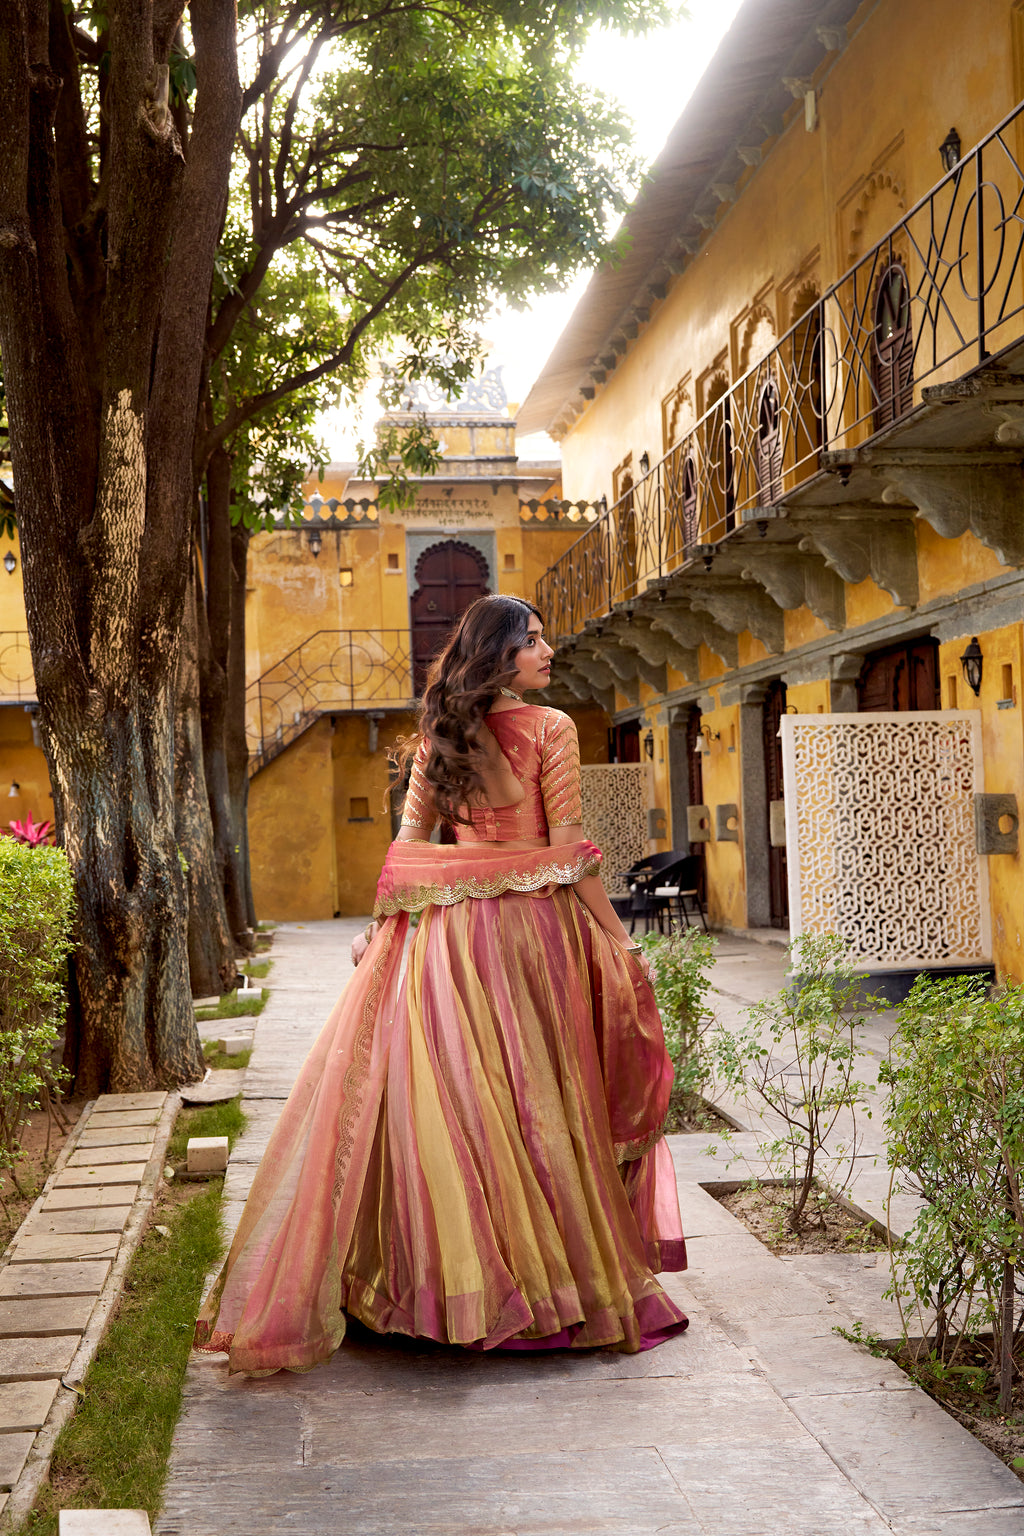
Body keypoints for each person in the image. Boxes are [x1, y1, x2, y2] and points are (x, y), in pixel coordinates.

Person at [195, 594, 687, 1374]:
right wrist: (619, 940)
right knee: (533, 1104)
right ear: (500, 655)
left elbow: (408, 847)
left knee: (456, 1108)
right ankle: (545, 1291)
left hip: (448, 943)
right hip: (530, 940)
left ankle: (441, 1291)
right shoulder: (550, 731)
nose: (549, 650)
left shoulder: (440, 736)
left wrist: (383, 923)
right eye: (533, 642)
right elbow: (569, 855)